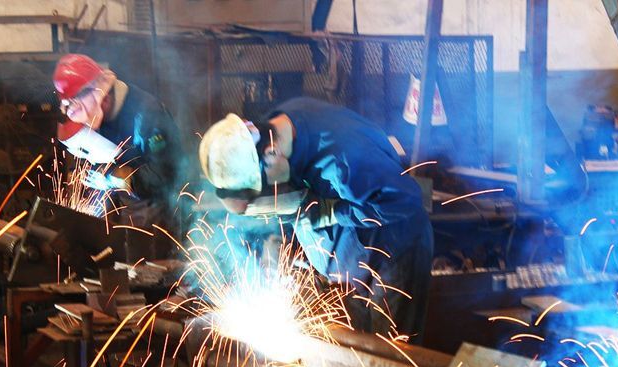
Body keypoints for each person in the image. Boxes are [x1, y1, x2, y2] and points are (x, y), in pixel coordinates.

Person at [198, 97, 433, 343]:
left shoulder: (342, 163)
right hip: (350, 264)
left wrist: (332, 212)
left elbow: (407, 200)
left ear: (271, 153)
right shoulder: (276, 127)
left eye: (264, 185)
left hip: (392, 255)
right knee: (355, 353)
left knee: (387, 353)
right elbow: (257, 199)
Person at [53, 53, 184, 225]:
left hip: (157, 204)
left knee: (143, 229)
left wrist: (120, 179)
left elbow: (166, 174)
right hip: (124, 201)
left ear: (104, 99)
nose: (90, 126)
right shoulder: (95, 112)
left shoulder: (148, 116)